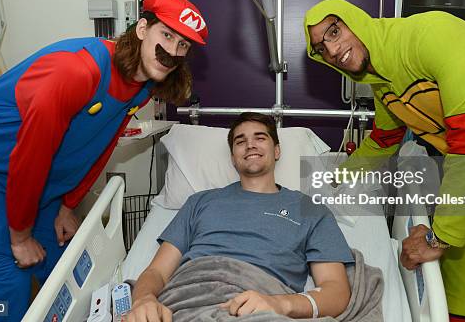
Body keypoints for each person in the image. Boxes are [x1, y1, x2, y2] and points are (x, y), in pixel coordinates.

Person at [0, 0, 208, 321]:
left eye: (183, 46)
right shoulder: (77, 71)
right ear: (141, 29)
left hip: (30, 175)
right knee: (9, 282)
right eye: (166, 35)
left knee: (68, 261)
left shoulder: (142, 89)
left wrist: (68, 206)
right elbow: (32, 154)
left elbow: (102, 144)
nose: (172, 52)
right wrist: (20, 236)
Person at [303, 0, 465, 322]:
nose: (333, 51)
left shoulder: (433, 36)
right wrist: (331, 181)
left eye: (334, 31)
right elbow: (384, 140)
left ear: (356, 19)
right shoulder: (381, 81)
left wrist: (438, 236)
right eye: (322, 48)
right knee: (460, 303)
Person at [127, 112, 353, 321]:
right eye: (240, 141)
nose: (250, 145)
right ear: (233, 158)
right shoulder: (200, 201)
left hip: (259, 305)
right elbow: (157, 271)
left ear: (277, 151)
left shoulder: (310, 209)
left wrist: (280, 304)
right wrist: (144, 299)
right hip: (187, 301)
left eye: (260, 137)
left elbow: (336, 290)